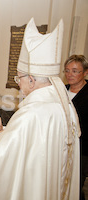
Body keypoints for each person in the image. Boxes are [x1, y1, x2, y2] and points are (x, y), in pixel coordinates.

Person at [0, 18, 80, 200]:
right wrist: (2, 130)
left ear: (32, 80)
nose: (18, 84)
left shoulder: (30, 113)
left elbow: (1, 160)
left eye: (19, 79)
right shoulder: (66, 106)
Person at [64, 55, 88, 200]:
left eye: (74, 71)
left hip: (82, 147)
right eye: (66, 71)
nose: (69, 75)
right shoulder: (61, 90)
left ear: (85, 72)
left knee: (75, 183)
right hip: (61, 145)